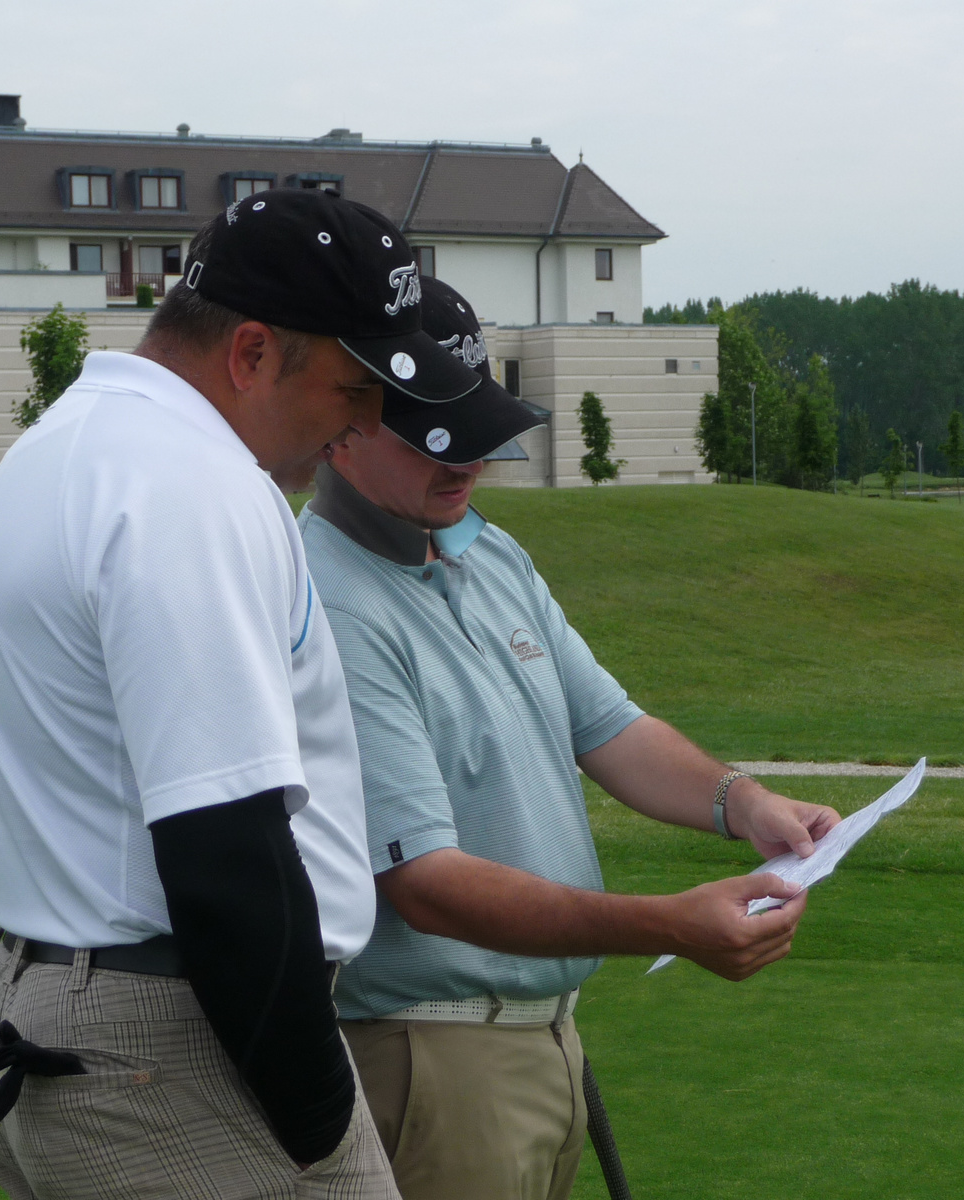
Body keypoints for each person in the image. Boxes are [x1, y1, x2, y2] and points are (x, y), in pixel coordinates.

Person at [0, 190, 481, 1200]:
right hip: (176, 1049)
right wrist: (322, 1126)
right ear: (250, 353)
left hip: (50, 1005)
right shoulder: (192, 483)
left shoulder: (59, 448)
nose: (364, 422)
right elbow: (224, 848)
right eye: (351, 385)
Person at [297, 276, 842, 1200]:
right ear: (345, 423)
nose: (466, 459)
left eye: (474, 426)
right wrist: (668, 923)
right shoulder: (330, 600)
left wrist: (743, 802)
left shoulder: (487, 550)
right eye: (434, 433)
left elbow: (608, 726)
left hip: (543, 1038)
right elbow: (426, 887)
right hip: (430, 1053)